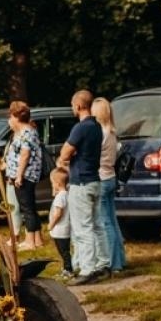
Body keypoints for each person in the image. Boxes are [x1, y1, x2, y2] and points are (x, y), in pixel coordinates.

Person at [54, 89, 107, 284]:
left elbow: (66, 151)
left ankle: (87, 269)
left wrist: (62, 160)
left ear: (78, 106)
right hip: (94, 179)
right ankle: (103, 264)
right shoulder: (97, 127)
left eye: (72, 105)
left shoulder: (80, 128)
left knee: (82, 228)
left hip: (81, 182)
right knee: (97, 225)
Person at [3, 101, 45, 250]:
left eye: (11, 115)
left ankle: (30, 241)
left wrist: (19, 176)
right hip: (23, 174)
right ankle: (37, 240)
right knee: (30, 207)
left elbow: (25, 154)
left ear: (16, 117)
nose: (10, 118)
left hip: (25, 176)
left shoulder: (26, 132)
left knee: (26, 208)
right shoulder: (24, 132)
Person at [93, 96, 127, 274]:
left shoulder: (101, 134)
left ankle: (114, 263)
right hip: (111, 177)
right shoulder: (112, 132)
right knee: (112, 221)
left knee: (105, 223)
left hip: (101, 177)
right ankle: (120, 258)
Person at [47, 167, 73, 276]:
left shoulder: (60, 198)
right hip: (65, 229)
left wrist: (51, 225)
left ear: (57, 184)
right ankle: (66, 269)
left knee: (64, 252)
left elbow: (58, 213)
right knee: (65, 251)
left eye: (52, 183)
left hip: (59, 230)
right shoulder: (66, 194)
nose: (52, 185)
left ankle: (68, 270)